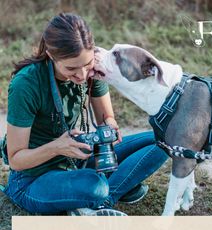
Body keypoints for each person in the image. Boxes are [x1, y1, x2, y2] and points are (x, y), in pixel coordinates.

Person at [3, 13, 168, 216]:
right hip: (33, 178)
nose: (82, 75)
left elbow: (106, 119)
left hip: (77, 159)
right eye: (71, 68)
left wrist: (109, 125)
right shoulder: (26, 84)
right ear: (51, 56)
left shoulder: (92, 69)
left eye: (87, 64)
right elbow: (16, 160)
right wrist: (57, 147)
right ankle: (103, 193)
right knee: (96, 185)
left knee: (164, 139)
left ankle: (97, 200)